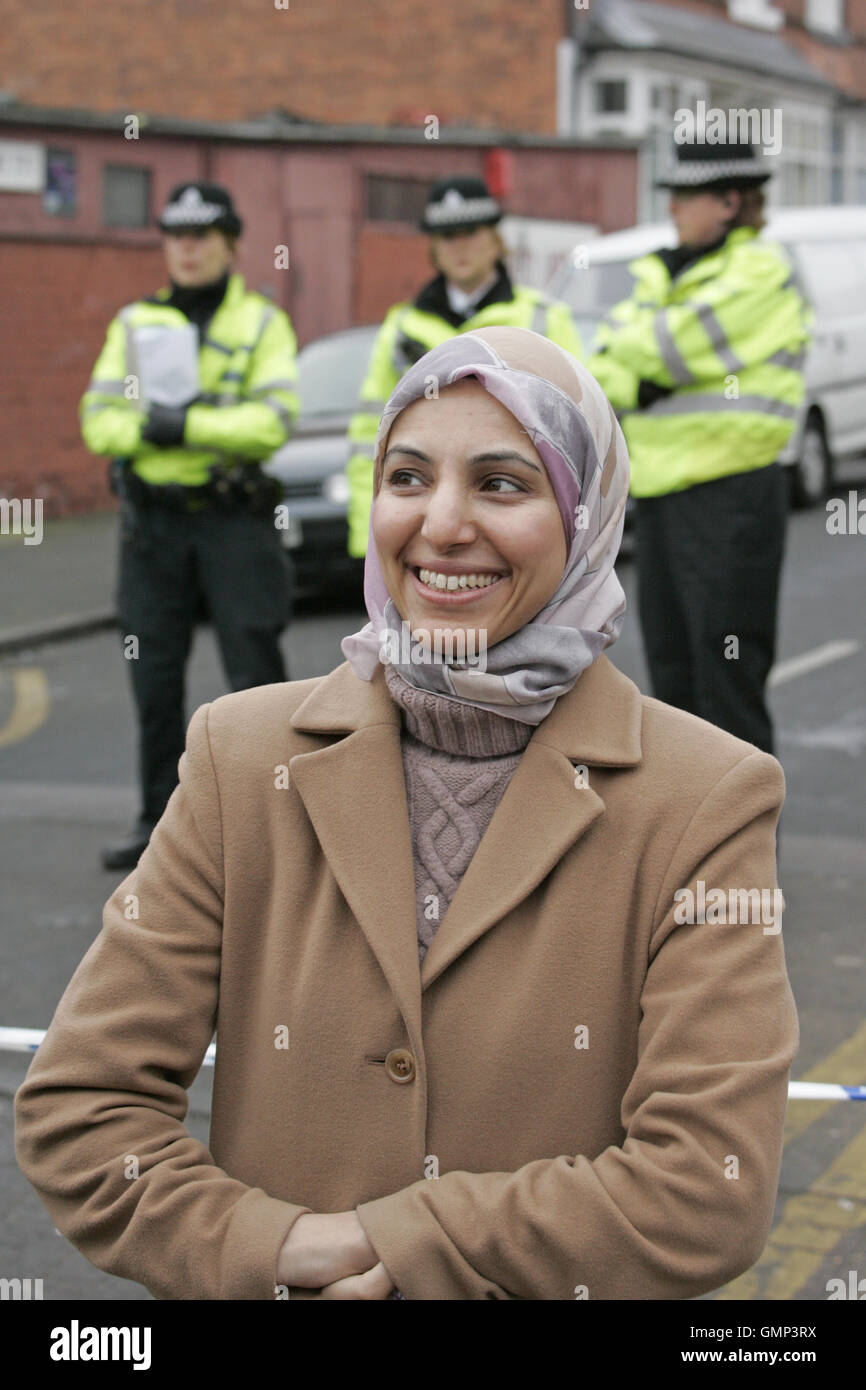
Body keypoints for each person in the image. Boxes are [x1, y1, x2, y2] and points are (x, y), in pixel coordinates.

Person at [16, 328, 798, 1301]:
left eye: (502, 484)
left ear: (587, 518)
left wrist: (391, 1243)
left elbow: (703, 1193)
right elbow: (83, 1105)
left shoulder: (705, 795)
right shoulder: (240, 755)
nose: (441, 522)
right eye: (407, 476)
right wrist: (272, 1246)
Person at [80, 182, 300, 870]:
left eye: (203, 235)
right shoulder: (133, 323)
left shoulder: (263, 323)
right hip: (153, 530)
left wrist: (181, 425)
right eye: (176, 235)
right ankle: (156, 822)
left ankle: (274, 825)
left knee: (254, 672)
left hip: (234, 521)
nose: (189, 247)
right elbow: (97, 420)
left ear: (231, 244)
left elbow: (272, 423)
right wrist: (166, 428)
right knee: (153, 674)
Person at [589, 140, 810, 757]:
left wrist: (648, 372)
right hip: (661, 495)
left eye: (687, 196)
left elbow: (667, 349)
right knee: (672, 682)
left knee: (727, 683)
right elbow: (607, 363)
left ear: (730, 201)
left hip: (730, 493)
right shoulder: (662, 271)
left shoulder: (761, 269)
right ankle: (684, 849)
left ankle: (743, 851)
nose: (674, 208)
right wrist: (646, 379)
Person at [345, 174, 583, 558]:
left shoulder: (544, 318)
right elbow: (369, 437)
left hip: (516, 507)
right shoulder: (400, 327)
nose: (460, 247)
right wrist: (369, 536)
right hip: (428, 515)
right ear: (434, 248)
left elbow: (575, 431)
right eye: (447, 236)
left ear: (495, 240)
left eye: (471, 232)